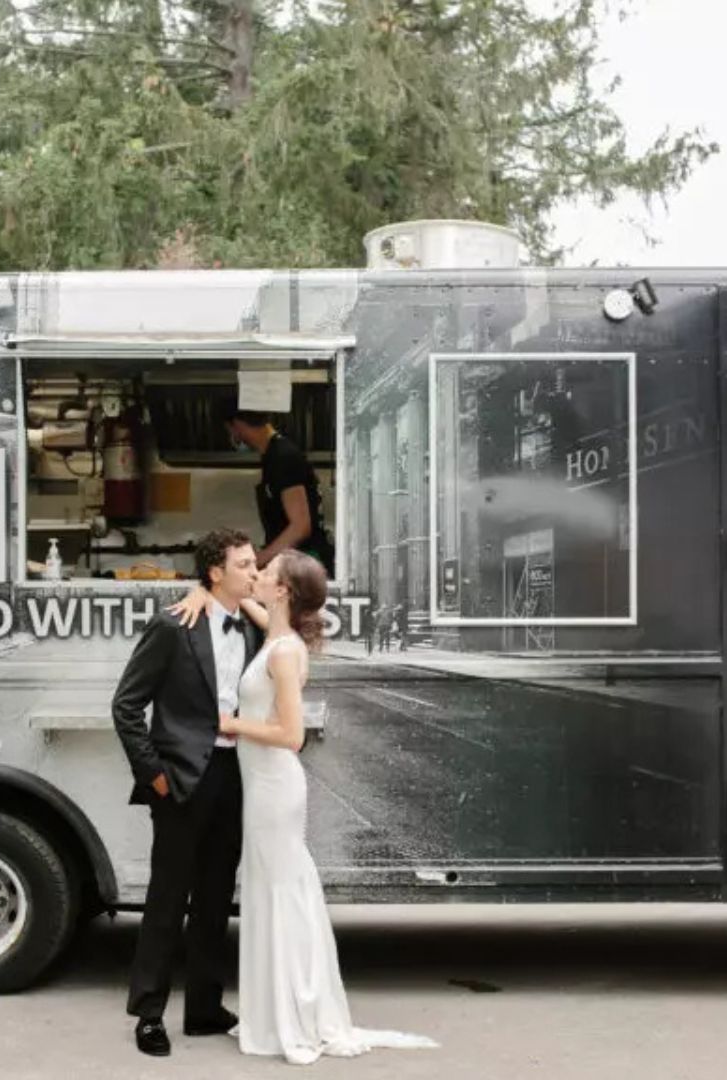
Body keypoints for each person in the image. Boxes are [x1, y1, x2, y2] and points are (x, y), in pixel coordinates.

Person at [170, 553, 438, 1065]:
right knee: (274, 893)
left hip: (274, 787)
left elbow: (290, 736)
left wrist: (231, 725)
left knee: (280, 893)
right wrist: (205, 593)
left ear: (285, 591)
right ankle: (278, 1010)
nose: (257, 577)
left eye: (266, 574)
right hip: (263, 787)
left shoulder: (284, 652)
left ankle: (291, 1014)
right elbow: (243, 600)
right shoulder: (274, 632)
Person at [111, 528, 262, 1057]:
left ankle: (203, 1008)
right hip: (179, 780)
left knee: (217, 897)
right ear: (215, 571)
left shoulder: (253, 628)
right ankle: (148, 1015)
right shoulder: (173, 627)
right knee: (167, 899)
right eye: (244, 564)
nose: (254, 572)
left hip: (233, 775)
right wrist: (154, 776)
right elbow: (126, 706)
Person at [226, 409, 335, 575]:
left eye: (229, 430)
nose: (232, 436)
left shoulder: (283, 456)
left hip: (304, 565)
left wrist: (260, 559)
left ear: (237, 425)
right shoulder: (272, 455)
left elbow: (300, 527)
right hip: (294, 561)